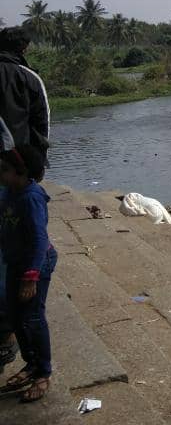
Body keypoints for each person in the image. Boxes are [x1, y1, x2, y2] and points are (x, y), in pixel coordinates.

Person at [0, 145, 57, 404]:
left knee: (33, 317)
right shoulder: (9, 192)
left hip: (36, 264)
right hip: (15, 261)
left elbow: (38, 240)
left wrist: (31, 276)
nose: (1, 174)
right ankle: (31, 364)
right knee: (14, 314)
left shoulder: (31, 198)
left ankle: (43, 372)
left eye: (5, 170)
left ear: (22, 173)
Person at [0, 28, 50, 173]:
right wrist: (39, 164)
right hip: (18, 163)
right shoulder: (29, 77)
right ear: (23, 48)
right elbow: (41, 124)